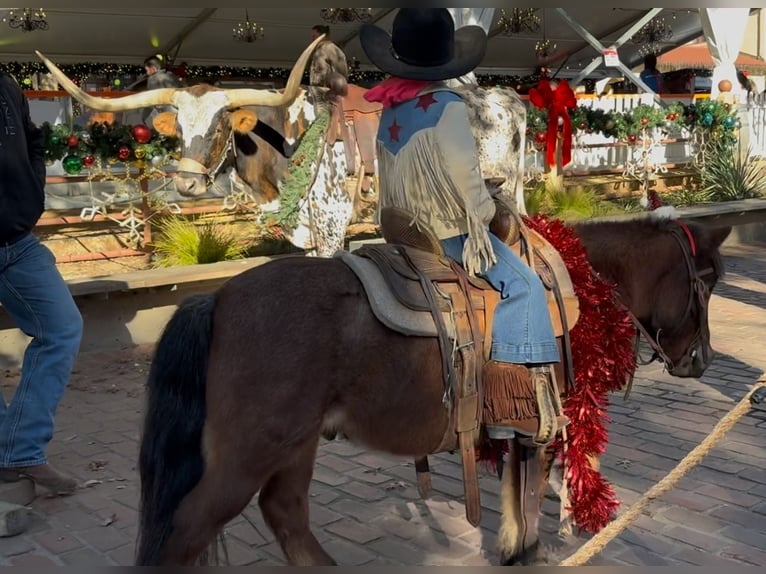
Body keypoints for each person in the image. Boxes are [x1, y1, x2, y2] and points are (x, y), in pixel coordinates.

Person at [360, 8, 564, 440]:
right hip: (448, 235)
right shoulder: (447, 106)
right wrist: (486, 212)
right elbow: (464, 174)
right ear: (445, 59)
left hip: (404, 231)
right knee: (524, 284)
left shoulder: (390, 109)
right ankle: (505, 405)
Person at [0, 71, 83, 495]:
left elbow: (30, 137)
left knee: (62, 327)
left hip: (17, 239)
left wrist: (32, 184)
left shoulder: (7, 82)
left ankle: (17, 450)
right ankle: (16, 455)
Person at [141, 55, 183, 124]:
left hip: (165, 114)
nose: (147, 73)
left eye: (147, 70)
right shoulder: (171, 76)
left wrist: (144, 117)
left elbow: (152, 99)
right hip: (178, 111)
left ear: (153, 68)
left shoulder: (153, 79)